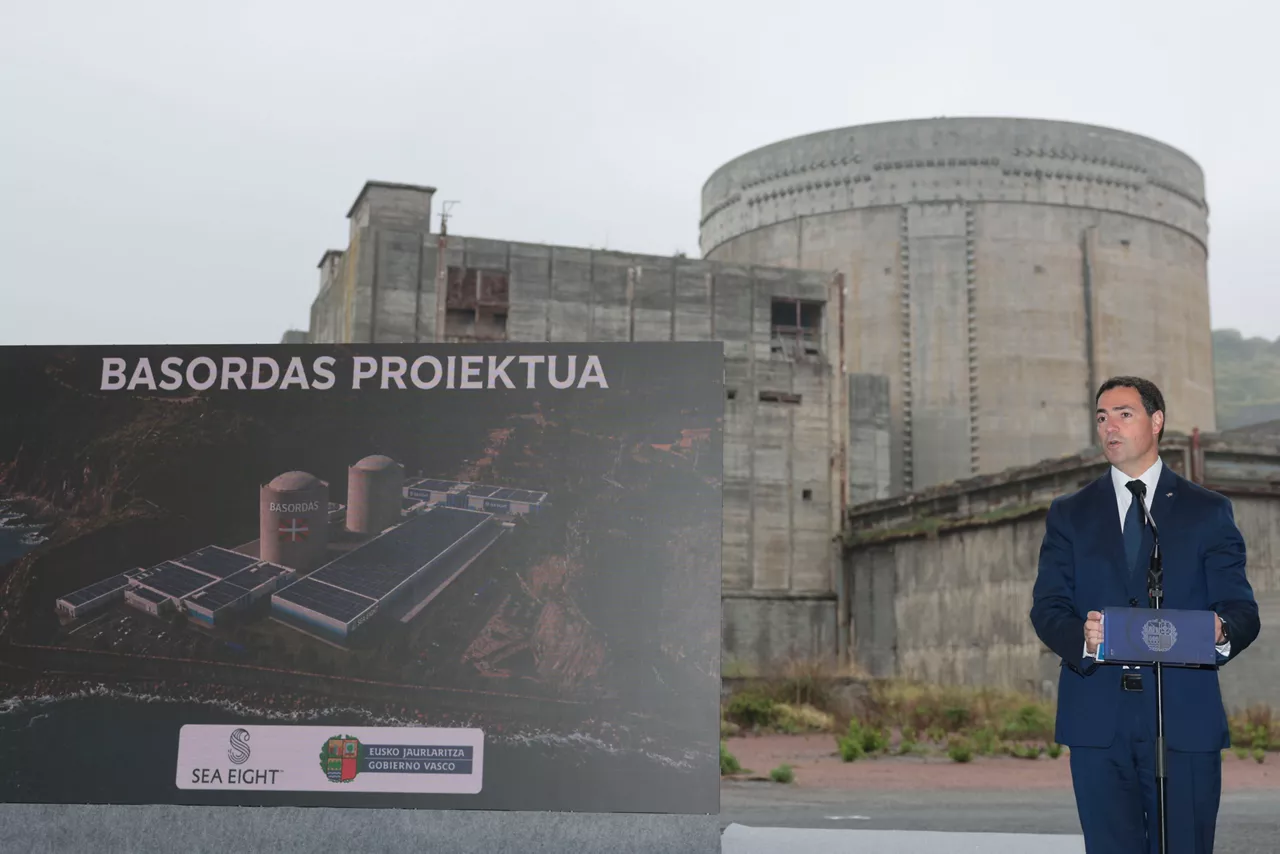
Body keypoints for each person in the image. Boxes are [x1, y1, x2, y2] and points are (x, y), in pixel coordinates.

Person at [1030, 376, 1260, 854]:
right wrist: (1084, 637)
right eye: (1101, 417)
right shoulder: (1069, 513)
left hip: (1182, 718)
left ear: (1156, 422)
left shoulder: (1207, 510)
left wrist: (1219, 631)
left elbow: (1242, 611)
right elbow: (1048, 607)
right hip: (1098, 721)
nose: (1109, 426)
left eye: (1123, 414)